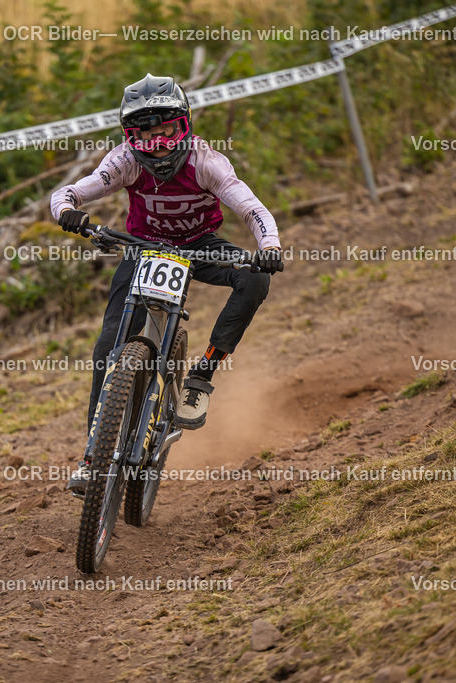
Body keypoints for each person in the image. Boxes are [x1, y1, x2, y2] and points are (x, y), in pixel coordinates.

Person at [49, 73, 283, 495]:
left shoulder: (206, 162)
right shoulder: (124, 161)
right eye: (145, 136)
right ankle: (91, 458)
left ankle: (203, 374)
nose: (157, 145)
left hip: (200, 247)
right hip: (143, 249)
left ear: (184, 125)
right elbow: (72, 191)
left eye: (166, 132)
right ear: (129, 137)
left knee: (255, 279)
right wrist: (66, 209)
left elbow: (252, 208)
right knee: (106, 347)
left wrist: (269, 245)